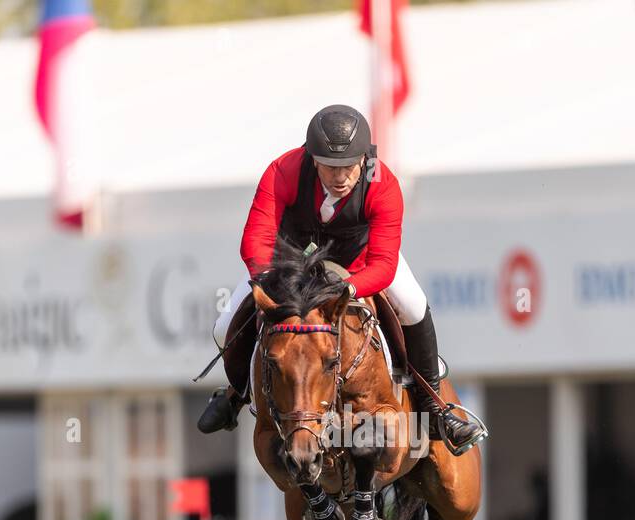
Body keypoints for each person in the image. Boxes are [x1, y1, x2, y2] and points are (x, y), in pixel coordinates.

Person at [196, 104, 486, 455]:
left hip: (361, 261)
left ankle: (435, 408)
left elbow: (383, 264)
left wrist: (349, 288)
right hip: (293, 261)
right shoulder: (283, 170)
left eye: (349, 165)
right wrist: (272, 280)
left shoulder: (383, 184)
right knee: (221, 326)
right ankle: (236, 395)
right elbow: (255, 241)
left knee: (413, 306)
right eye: (330, 166)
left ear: (364, 159)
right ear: (312, 158)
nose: (340, 176)